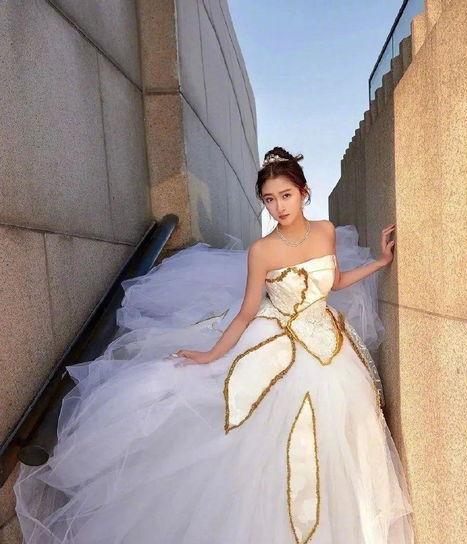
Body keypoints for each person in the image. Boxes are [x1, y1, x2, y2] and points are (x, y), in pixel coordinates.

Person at [14, 146, 415, 543]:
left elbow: (334, 282)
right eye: (269, 199)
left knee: (342, 434)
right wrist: (211, 354)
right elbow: (245, 313)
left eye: (286, 195)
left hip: (332, 346)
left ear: (303, 192)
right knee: (263, 441)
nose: (279, 207)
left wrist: (380, 262)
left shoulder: (325, 231)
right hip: (277, 341)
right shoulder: (262, 251)